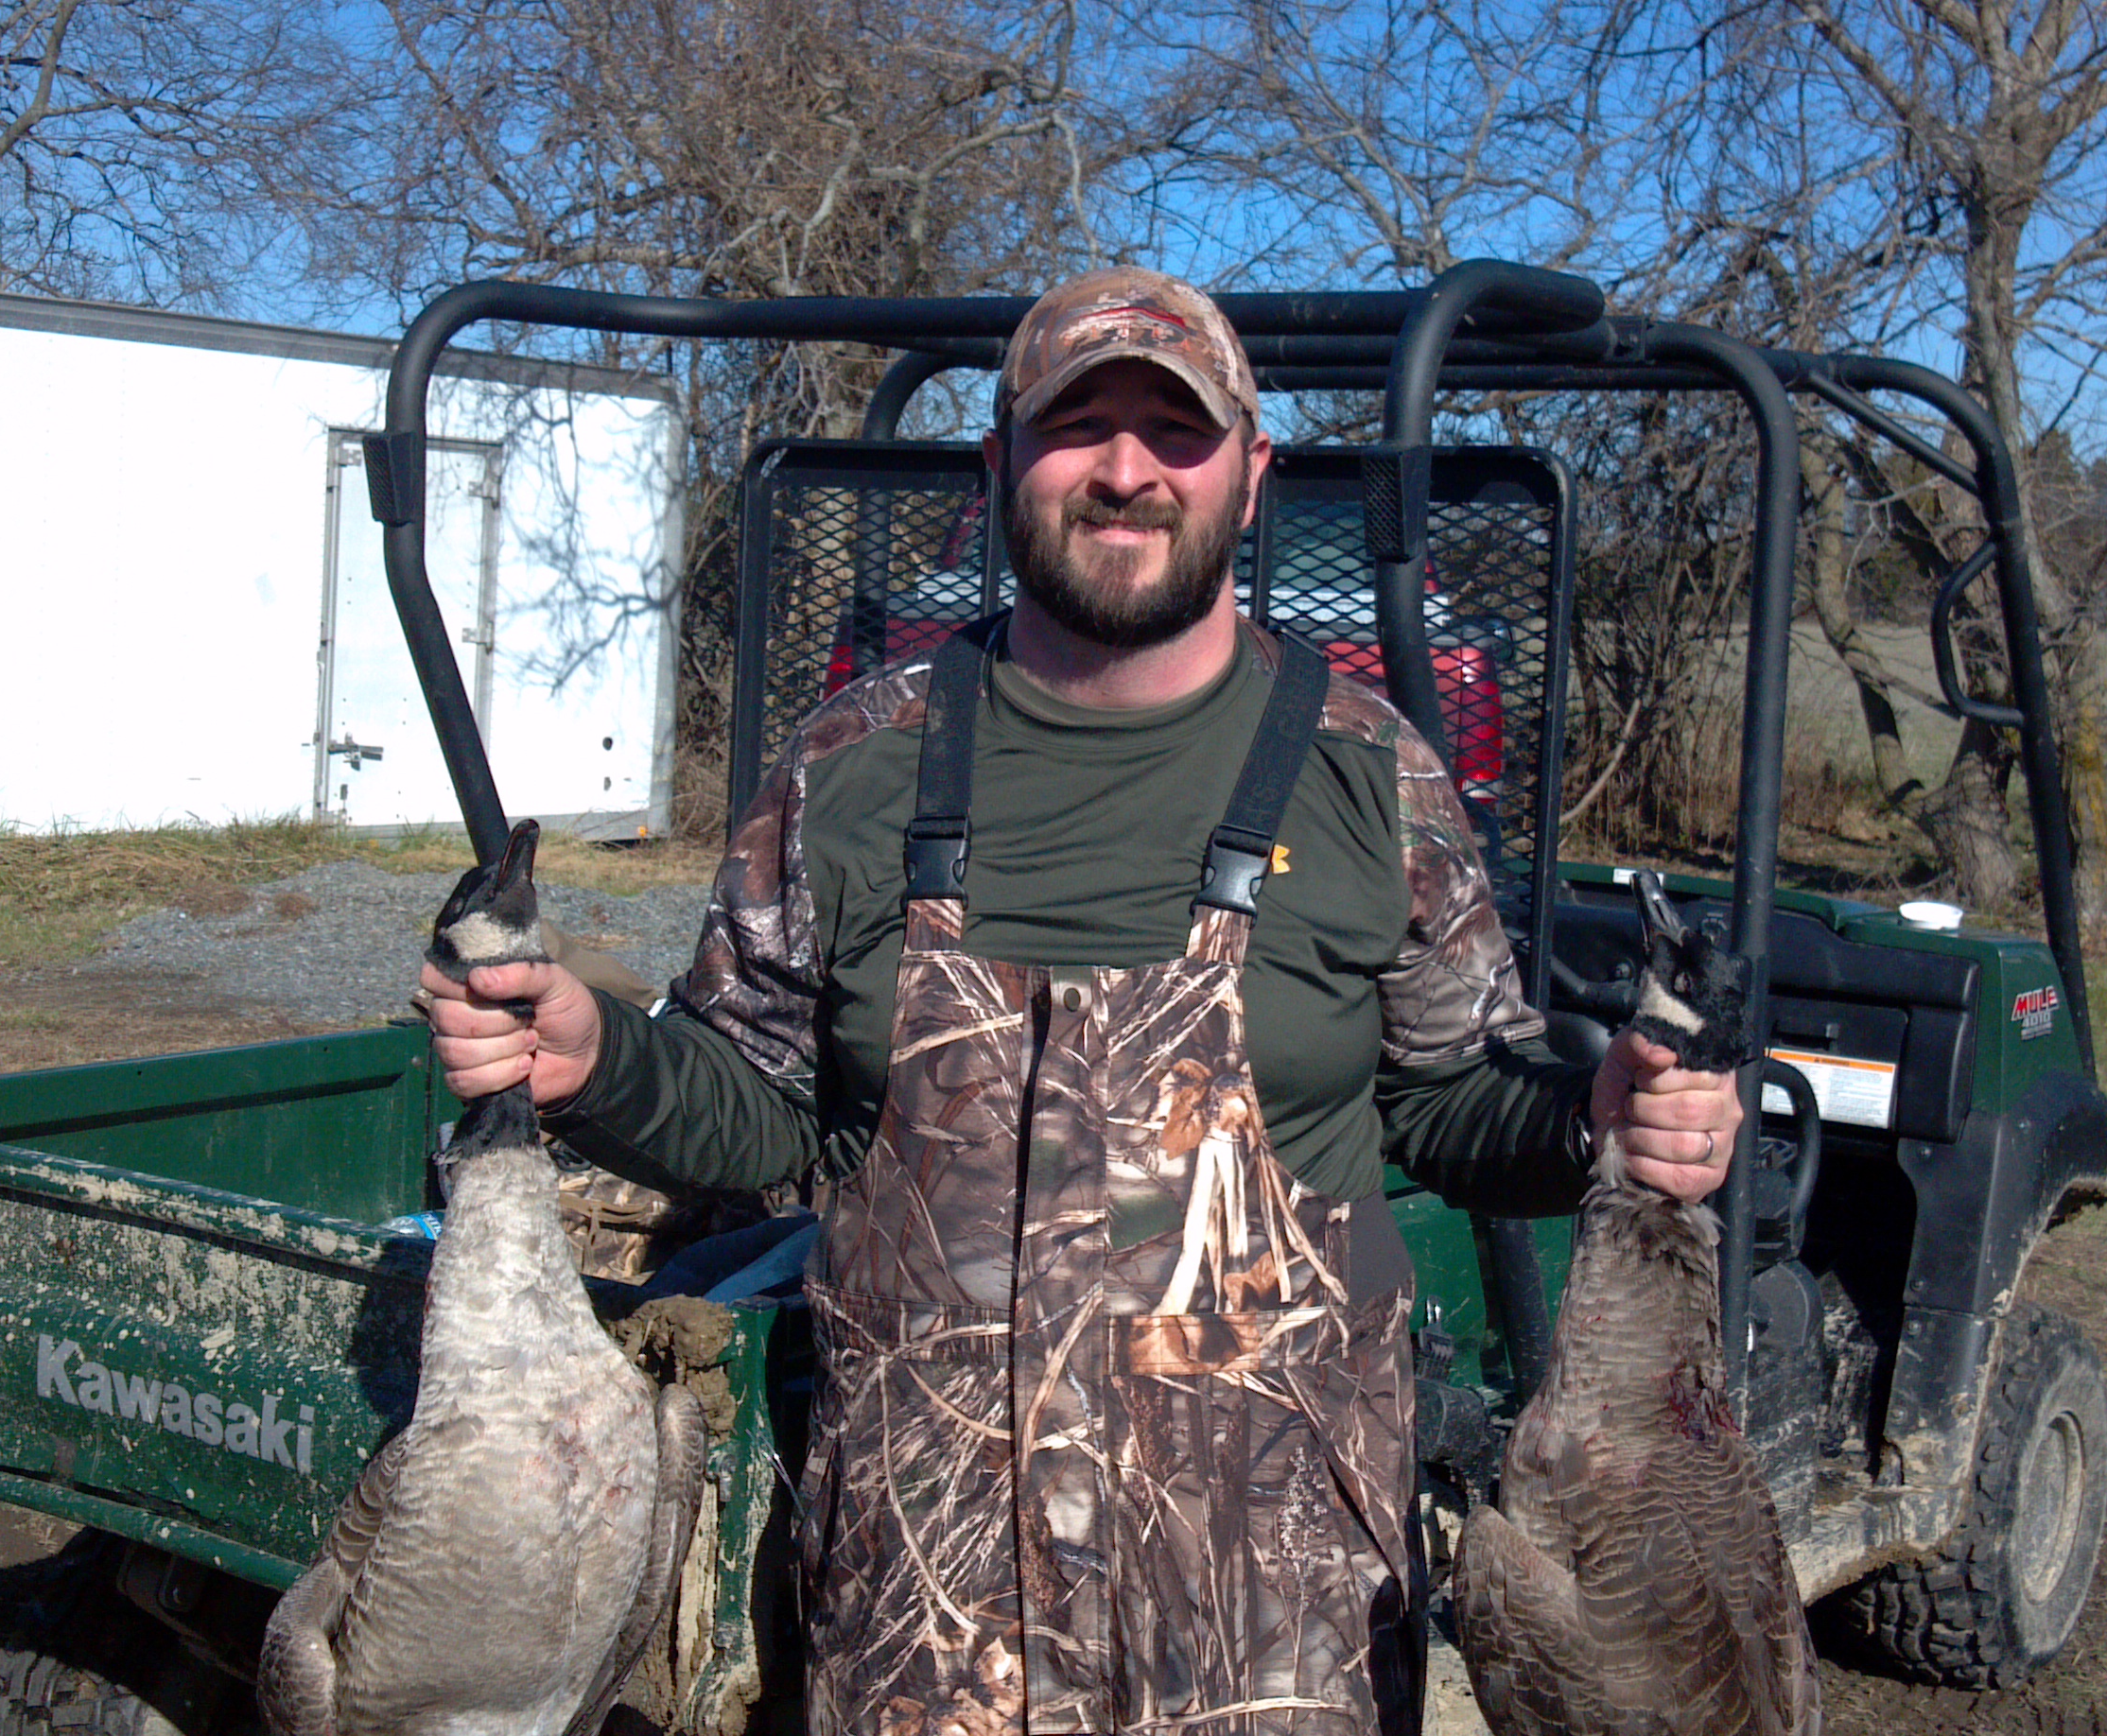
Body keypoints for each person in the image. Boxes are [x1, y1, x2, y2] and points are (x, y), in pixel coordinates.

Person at [420, 265, 1742, 1736]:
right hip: (925, 1644)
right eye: (1078, 427)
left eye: (1176, 433)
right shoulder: (855, 762)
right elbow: (763, 1115)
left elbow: (1451, 1103)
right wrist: (598, 1060)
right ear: (998, 472)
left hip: (1275, 1652)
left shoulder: (1371, 768)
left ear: (1253, 479)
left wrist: (1602, 1123)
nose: (1126, 471)